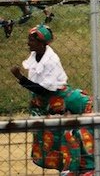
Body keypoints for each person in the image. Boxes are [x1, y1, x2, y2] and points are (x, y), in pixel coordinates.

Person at [11, 24, 69, 171]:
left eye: (31, 40)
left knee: (55, 136)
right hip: (41, 101)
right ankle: (57, 166)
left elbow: (44, 90)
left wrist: (20, 78)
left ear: (42, 43)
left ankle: (65, 167)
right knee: (42, 136)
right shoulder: (35, 55)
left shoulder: (51, 61)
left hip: (53, 101)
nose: (28, 43)